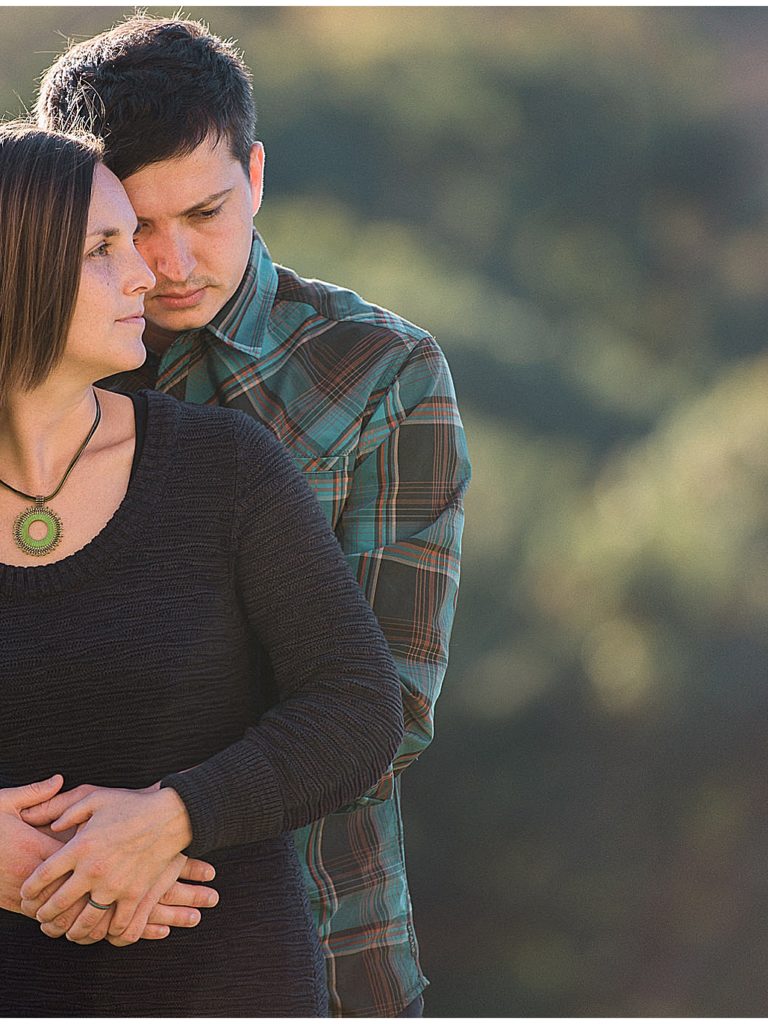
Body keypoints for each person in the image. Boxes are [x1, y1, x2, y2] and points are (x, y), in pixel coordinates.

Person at [36, 13, 471, 1017]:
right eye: (136, 226)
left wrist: (159, 822)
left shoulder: (380, 374)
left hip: (318, 931)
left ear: (258, 177)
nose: (175, 261)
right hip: (47, 923)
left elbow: (387, 708)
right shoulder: (31, 380)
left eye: (208, 212)